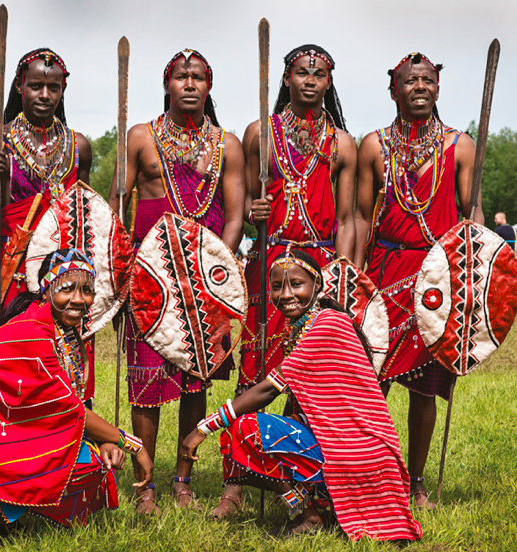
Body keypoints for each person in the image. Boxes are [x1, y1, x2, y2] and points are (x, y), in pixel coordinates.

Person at [0, 249, 153, 543]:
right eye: (67, 288)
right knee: (83, 462)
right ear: (46, 290)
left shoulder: (61, 330)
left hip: (4, 426)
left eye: (87, 290)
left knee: (97, 461)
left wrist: (105, 440)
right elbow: (69, 410)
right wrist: (132, 444)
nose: (78, 299)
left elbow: (62, 409)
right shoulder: (35, 332)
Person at [182, 249, 421, 541]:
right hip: (336, 443)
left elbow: (269, 388)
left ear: (317, 285)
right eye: (277, 286)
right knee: (249, 433)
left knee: (245, 430)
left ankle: (310, 516)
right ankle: (317, 506)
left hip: (356, 451)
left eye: (296, 284)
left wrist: (203, 428)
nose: (285, 294)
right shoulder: (303, 326)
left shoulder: (328, 324)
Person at [223, 44, 357, 517]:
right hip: (269, 260)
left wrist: (341, 274)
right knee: (255, 364)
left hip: (317, 267)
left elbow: (347, 219)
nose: (310, 80)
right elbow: (246, 201)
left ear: (328, 82)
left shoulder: (342, 144)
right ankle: (235, 482)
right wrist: (257, 210)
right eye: (302, 72)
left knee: (308, 376)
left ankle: (300, 485)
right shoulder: (260, 133)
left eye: (319, 74)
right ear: (286, 78)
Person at [108, 49, 245, 512]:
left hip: (206, 280)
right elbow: (117, 209)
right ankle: (144, 483)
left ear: (209, 85)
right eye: (181, 76)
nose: (189, 84)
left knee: (195, 381)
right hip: (150, 278)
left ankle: (183, 479)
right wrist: (121, 277)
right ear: (167, 84)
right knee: (146, 381)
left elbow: (235, 216)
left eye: (198, 77)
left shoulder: (227, 145)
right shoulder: (140, 137)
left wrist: (215, 270)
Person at [354, 52, 481, 509]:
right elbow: (360, 216)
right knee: (373, 382)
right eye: (411, 81)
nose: (420, 87)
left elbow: (472, 210)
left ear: (438, 87)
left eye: (427, 80)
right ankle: (369, 476)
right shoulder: (374, 145)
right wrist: (354, 278)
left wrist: (475, 262)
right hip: (384, 274)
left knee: (425, 388)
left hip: (438, 278)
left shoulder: (460, 146)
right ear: (394, 89)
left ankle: (416, 482)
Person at [0, 48, 99, 403]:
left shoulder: (79, 147)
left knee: (68, 371)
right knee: (18, 372)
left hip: (68, 280)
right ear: (19, 86)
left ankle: (71, 432)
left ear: (63, 90)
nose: (44, 95)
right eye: (35, 86)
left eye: (53, 88)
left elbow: (86, 218)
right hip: (15, 276)